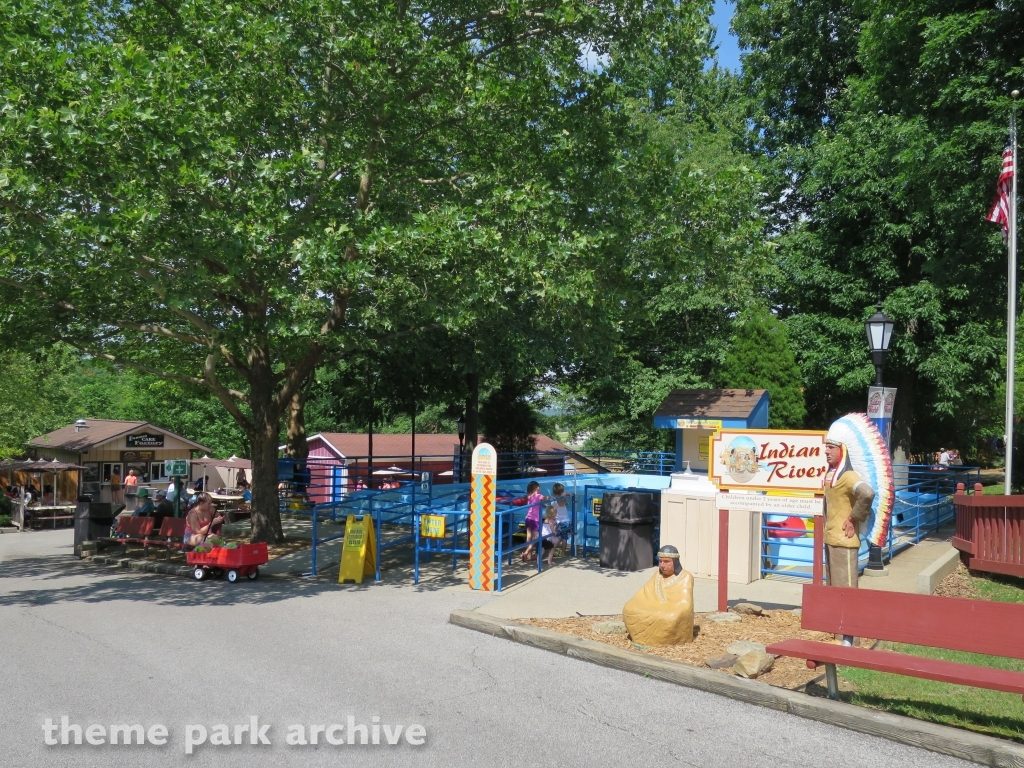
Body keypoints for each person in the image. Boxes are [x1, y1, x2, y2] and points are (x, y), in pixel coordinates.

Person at [823, 435, 876, 645]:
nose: (826, 451)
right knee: (835, 589)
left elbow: (868, 493)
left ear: (841, 450)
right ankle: (839, 633)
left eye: (830, 448)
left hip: (844, 541)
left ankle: (850, 638)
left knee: (846, 590)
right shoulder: (831, 475)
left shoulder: (848, 476)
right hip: (832, 538)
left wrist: (854, 517)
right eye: (825, 447)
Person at [622, 545, 695, 646]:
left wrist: (669, 609)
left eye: (666, 562)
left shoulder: (686, 577)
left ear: (675, 562)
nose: (662, 565)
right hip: (654, 605)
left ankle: (661, 642)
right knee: (628, 608)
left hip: (673, 609)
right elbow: (644, 592)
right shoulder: (658, 574)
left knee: (670, 618)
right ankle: (641, 639)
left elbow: (685, 603)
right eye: (660, 561)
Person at [521, 481, 544, 562]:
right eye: (539, 488)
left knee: (529, 537)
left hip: (528, 518)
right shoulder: (538, 496)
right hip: (535, 520)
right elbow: (546, 498)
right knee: (535, 537)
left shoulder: (529, 496)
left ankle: (530, 556)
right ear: (537, 488)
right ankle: (526, 553)